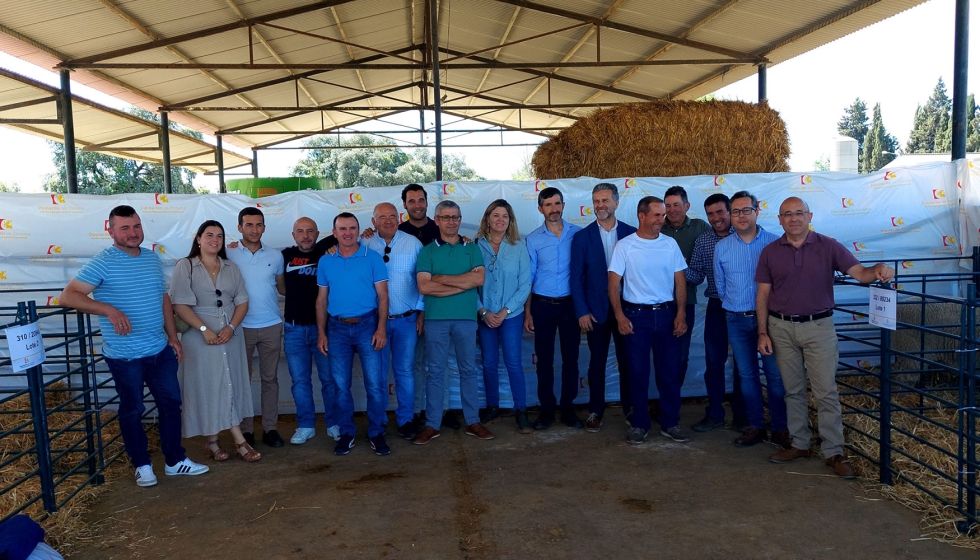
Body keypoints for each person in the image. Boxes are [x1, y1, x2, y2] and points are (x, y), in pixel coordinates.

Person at [59, 205, 209, 487]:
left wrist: (173, 337)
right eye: (125, 228)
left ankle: (175, 461)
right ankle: (141, 464)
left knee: (171, 405)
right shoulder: (103, 261)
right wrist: (109, 310)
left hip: (159, 349)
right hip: (125, 356)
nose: (133, 233)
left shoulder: (151, 258)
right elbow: (68, 296)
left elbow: (163, 298)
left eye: (136, 226)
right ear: (111, 230)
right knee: (132, 409)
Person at [757, 197, 895, 478]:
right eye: (787, 214)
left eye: (799, 213)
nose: (794, 218)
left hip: (818, 326)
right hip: (780, 327)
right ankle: (800, 444)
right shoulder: (770, 252)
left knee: (825, 392)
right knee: (793, 390)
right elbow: (763, 294)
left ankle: (834, 451)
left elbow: (860, 273)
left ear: (810, 216)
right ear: (780, 219)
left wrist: (879, 268)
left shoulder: (828, 245)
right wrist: (762, 332)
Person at [170, 220, 260, 462]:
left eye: (219, 236)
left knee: (229, 384)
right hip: (198, 338)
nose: (215, 240)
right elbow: (178, 303)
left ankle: (214, 441)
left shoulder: (231, 267)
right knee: (207, 387)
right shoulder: (185, 266)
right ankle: (235, 440)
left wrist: (231, 327)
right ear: (198, 239)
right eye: (209, 235)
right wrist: (203, 329)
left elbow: (242, 301)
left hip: (229, 336)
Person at [608, 196, 689, 445]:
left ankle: (670, 422)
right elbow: (613, 285)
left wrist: (681, 314)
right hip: (636, 317)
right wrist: (620, 316)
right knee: (637, 373)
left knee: (669, 372)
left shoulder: (670, 244)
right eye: (656, 215)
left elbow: (680, 281)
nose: (661, 220)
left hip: (666, 314)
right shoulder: (624, 246)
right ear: (641, 216)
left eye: (663, 215)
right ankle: (639, 424)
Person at [413, 201, 493, 444]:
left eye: (455, 217)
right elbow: (424, 286)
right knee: (436, 372)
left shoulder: (472, 248)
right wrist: (461, 284)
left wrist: (443, 280)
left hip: (467, 319)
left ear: (460, 219)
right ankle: (432, 424)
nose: (451, 222)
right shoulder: (427, 251)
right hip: (435, 319)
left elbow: (478, 280)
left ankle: (472, 421)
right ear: (436, 220)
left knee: (468, 370)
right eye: (446, 217)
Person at [714, 191, 789, 449]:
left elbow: (784, 282)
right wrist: (737, 306)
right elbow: (721, 286)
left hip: (771, 321)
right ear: (730, 216)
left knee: (776, 376)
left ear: (757, 211)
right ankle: (756, 426)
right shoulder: (722, 247)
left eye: (746, 210)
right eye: (736, 211)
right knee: (746, 376)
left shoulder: (775, 243)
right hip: (736, 319)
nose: (741, 216)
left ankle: (780, 428)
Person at [316, 213, 390, 456]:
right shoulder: (326, 261)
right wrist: (321, 333)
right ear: (334, 232)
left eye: (352, 228)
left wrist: (381, 328)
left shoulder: (373, 258)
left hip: (367, 325)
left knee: (375, 385)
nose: (347, 233)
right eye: (342, 229)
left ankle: (376, 432)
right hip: (336, 329)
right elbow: (321, 300)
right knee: (340, 385)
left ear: (359, 231)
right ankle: (346, 433)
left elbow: (383, 297)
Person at [570, 183, 637, 432]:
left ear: (616, 203)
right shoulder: (582, 237)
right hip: (595, 313)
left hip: (628, 311)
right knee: (596, 364)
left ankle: (631, 409)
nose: (600, 205)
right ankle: (595, 411)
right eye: (596, 201)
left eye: (605, 200)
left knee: (628, 362)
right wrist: (581, 311)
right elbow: (576, 279)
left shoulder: (632, 234)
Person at [362, 202, 425, 441]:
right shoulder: (364, 245)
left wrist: (421, 312)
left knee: (405, 372)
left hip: (406, 321)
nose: (387, 221)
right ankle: (377, 423)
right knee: (375, 375)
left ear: (399, 218)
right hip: (374, 323)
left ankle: (406, 420)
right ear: (373, 221)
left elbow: (423, 281)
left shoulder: (414, 244)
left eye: (392, 216)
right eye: (382, 217)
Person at [524, 187, 583, 430]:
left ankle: (568, 410)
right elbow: (529, 277)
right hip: (542, 306)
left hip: (570, 305)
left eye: (557, 203)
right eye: (548, 205)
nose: (553, 209)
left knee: (572, 360)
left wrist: (584, 310)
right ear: (540, 209)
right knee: (545, 361)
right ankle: (546, 411)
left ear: (563, 205)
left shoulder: (578, 235)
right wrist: (528, 312)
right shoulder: (533, 239)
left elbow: (583, 275)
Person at [226, 207, 285, 448]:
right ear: (240, 227)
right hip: (240, 327)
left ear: (264, 227)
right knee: (242, 381)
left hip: (271, 324)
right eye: (249, 225)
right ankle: (246, 431)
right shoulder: (228, 254)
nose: (254, 229)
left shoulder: (276, 256)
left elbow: (282, 288)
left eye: (259, 224)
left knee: (270, 380)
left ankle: (270, 429)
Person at [684, 193, 744, 432]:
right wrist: (672, 267)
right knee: (714, 363)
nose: (716, 218)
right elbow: (695, 275)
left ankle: (743, 417)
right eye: (711, 214)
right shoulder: (704, 241)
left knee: (744, 364)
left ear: (730, 211)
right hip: (717, 307)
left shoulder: (746, 235)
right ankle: (715, 414)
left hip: (744, 307)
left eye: (720, 212)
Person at [280, 217, 340, 445]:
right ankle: (306, 425)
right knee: (300, 382)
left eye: (310, 231)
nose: (305, 236)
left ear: (318, 234)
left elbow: (350, 234)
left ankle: (334, 423)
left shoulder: (328, 252)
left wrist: (365, 233)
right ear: (293, 234)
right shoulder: (284, 255)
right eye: (300, 231)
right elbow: (282, 288)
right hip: (294, 329)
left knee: (329, 380)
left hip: (323, 329)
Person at [475, 199, 532, 433]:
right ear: (488, 218)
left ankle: (521, 410)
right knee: (488, 363)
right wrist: (484, 312)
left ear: (510, 221)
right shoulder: (475, 246)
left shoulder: (519, 246)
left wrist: (504, 311)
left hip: (511, 316)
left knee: (513, 363)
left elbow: (525, 283)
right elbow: (469, 285)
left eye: (505, 216)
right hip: (484, 316)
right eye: (496, 215)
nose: (500, 220)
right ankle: (492, 406)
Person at [661, 186, 709, 385]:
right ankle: (661, 400)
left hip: (685, 303)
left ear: (687, 206)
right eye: (668, 205)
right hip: (658, 303)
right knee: (661, 356)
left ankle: (673, 402)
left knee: (681, 355)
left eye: (676, 205)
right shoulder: (656, 227)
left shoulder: (700, 228)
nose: (672, 210)